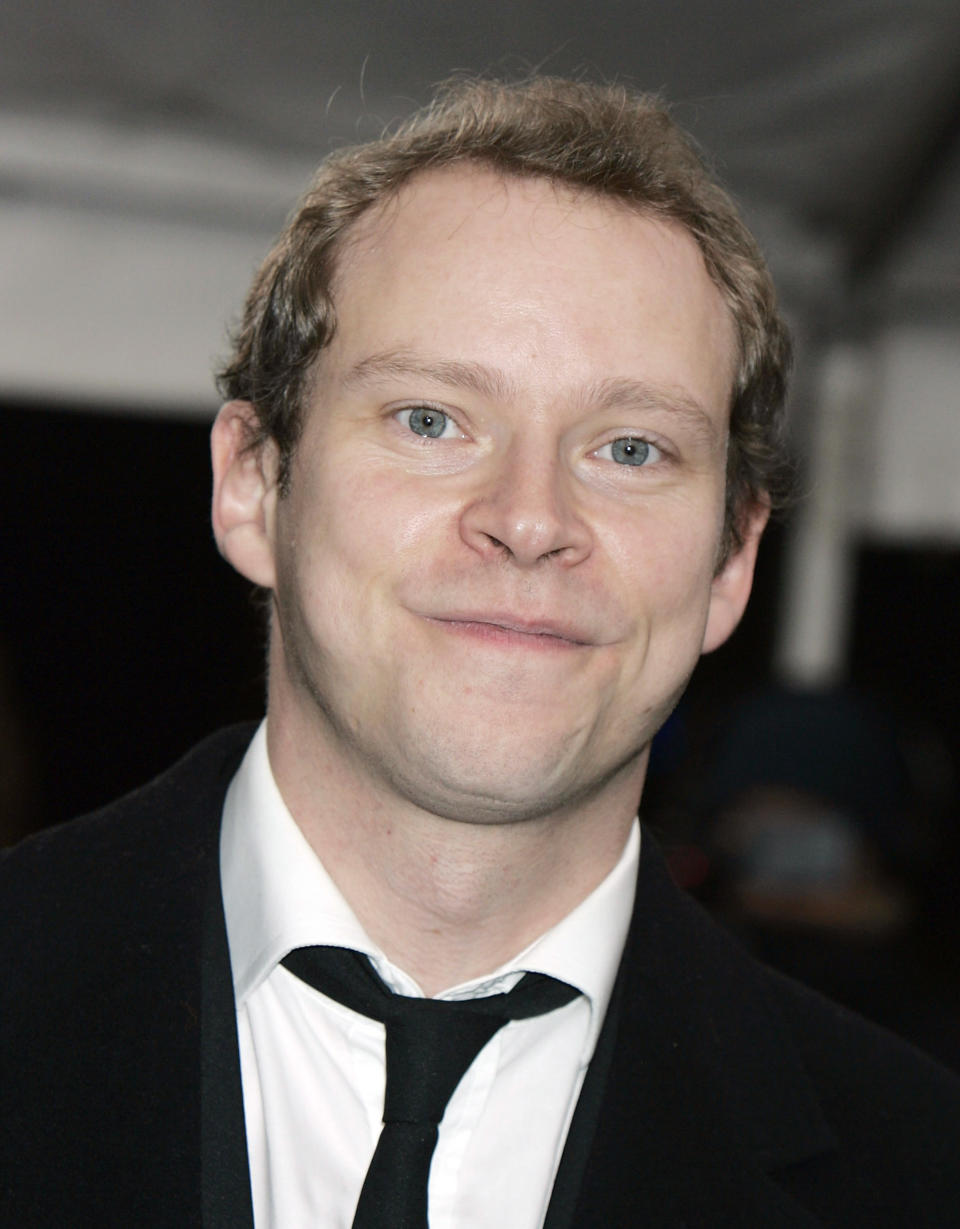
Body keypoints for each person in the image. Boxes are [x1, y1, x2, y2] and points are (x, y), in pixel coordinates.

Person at [2, 77, 958, 1228]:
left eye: (631, 446)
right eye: (430, 420)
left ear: (731, 563)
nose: (529, 513)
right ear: (253, 483)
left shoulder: (913, 1167)